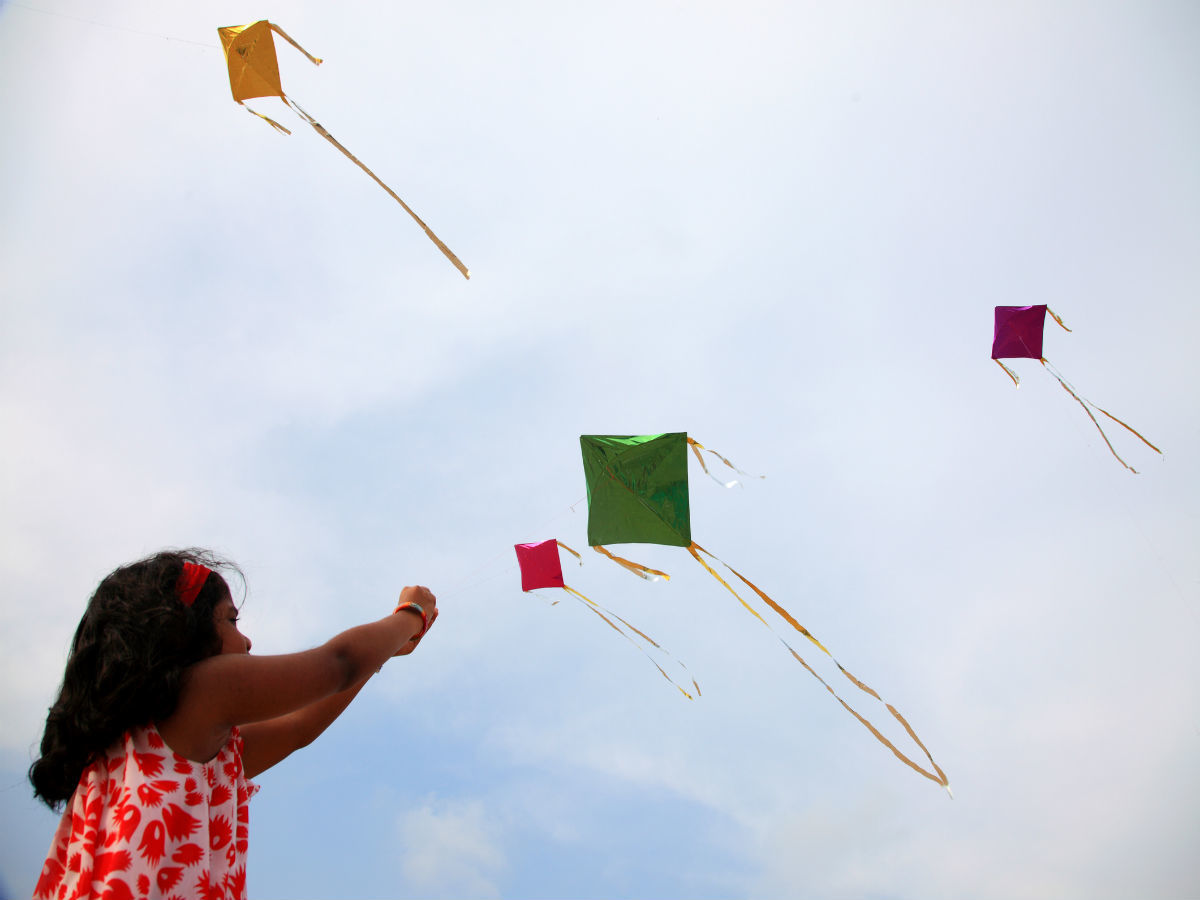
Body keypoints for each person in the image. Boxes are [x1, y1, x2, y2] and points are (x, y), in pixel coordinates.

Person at [29, 548, 437, 899]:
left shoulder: (177, 753)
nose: (247, 642)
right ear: (181, 631)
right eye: (231, 620)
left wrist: (380, 656)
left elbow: (299, 728)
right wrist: (411, 614)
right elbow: (339, 664)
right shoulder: (203, 691)